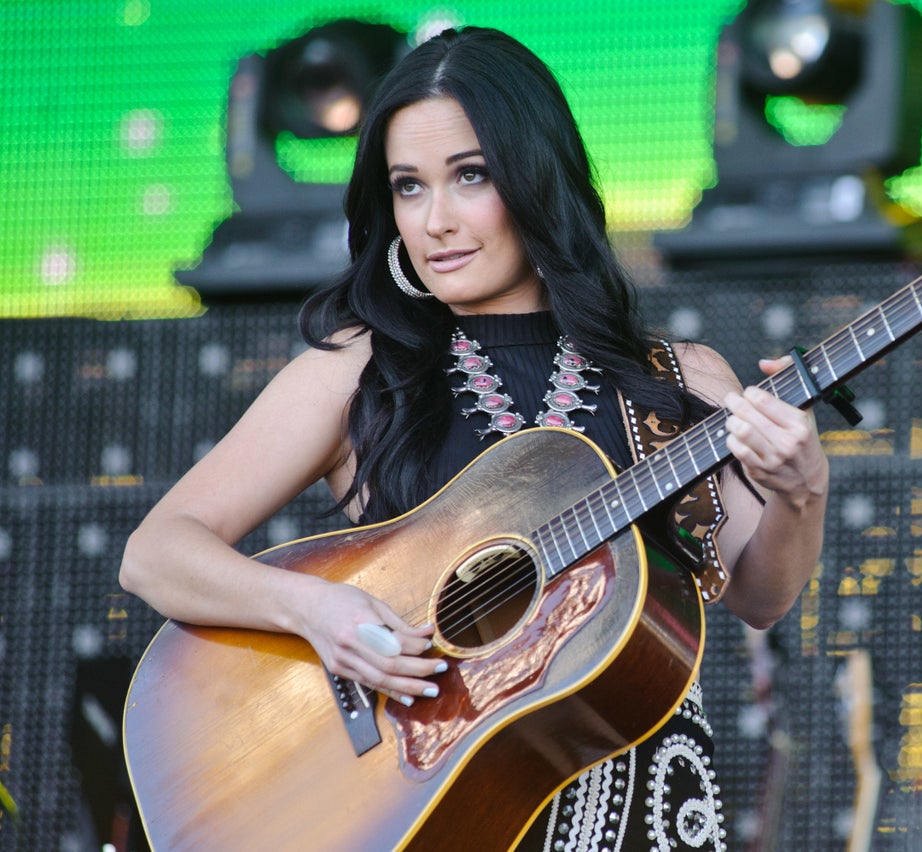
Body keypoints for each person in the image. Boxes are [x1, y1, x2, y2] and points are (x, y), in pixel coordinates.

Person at [119, 25, 828, 851]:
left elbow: (762, 595)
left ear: (534, 179)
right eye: (408, 188)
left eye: (469, 176)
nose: (436, 221)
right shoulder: (359, 370)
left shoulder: (680, 377)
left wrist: (801, 489)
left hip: (646, 817)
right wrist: (317, 610)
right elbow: (157, 552)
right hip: (436, 818)